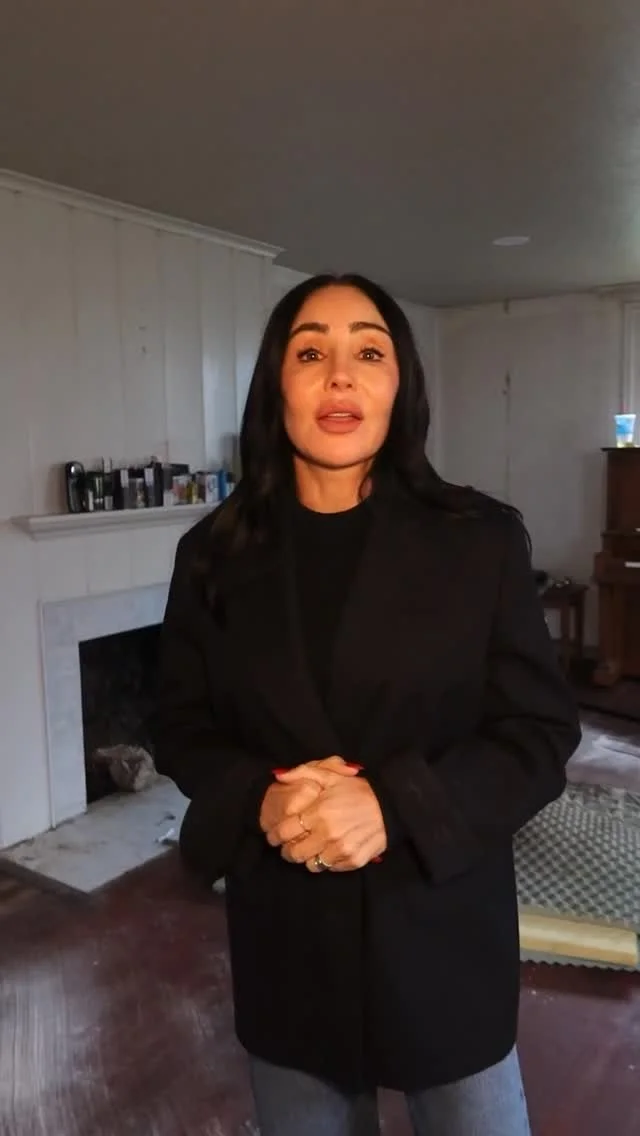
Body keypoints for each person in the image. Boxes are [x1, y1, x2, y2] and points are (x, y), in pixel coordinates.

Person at [154, 273, 581, 1136]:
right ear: (277, 386)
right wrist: (260, 797)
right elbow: (179, 725)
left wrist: (394, 805)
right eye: (310, 353)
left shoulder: (480, 541)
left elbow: (538, 733)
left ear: (400, 385)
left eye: (369, 352)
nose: (340, 375)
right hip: (288, 944)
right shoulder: (211, 555)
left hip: (444, 934)